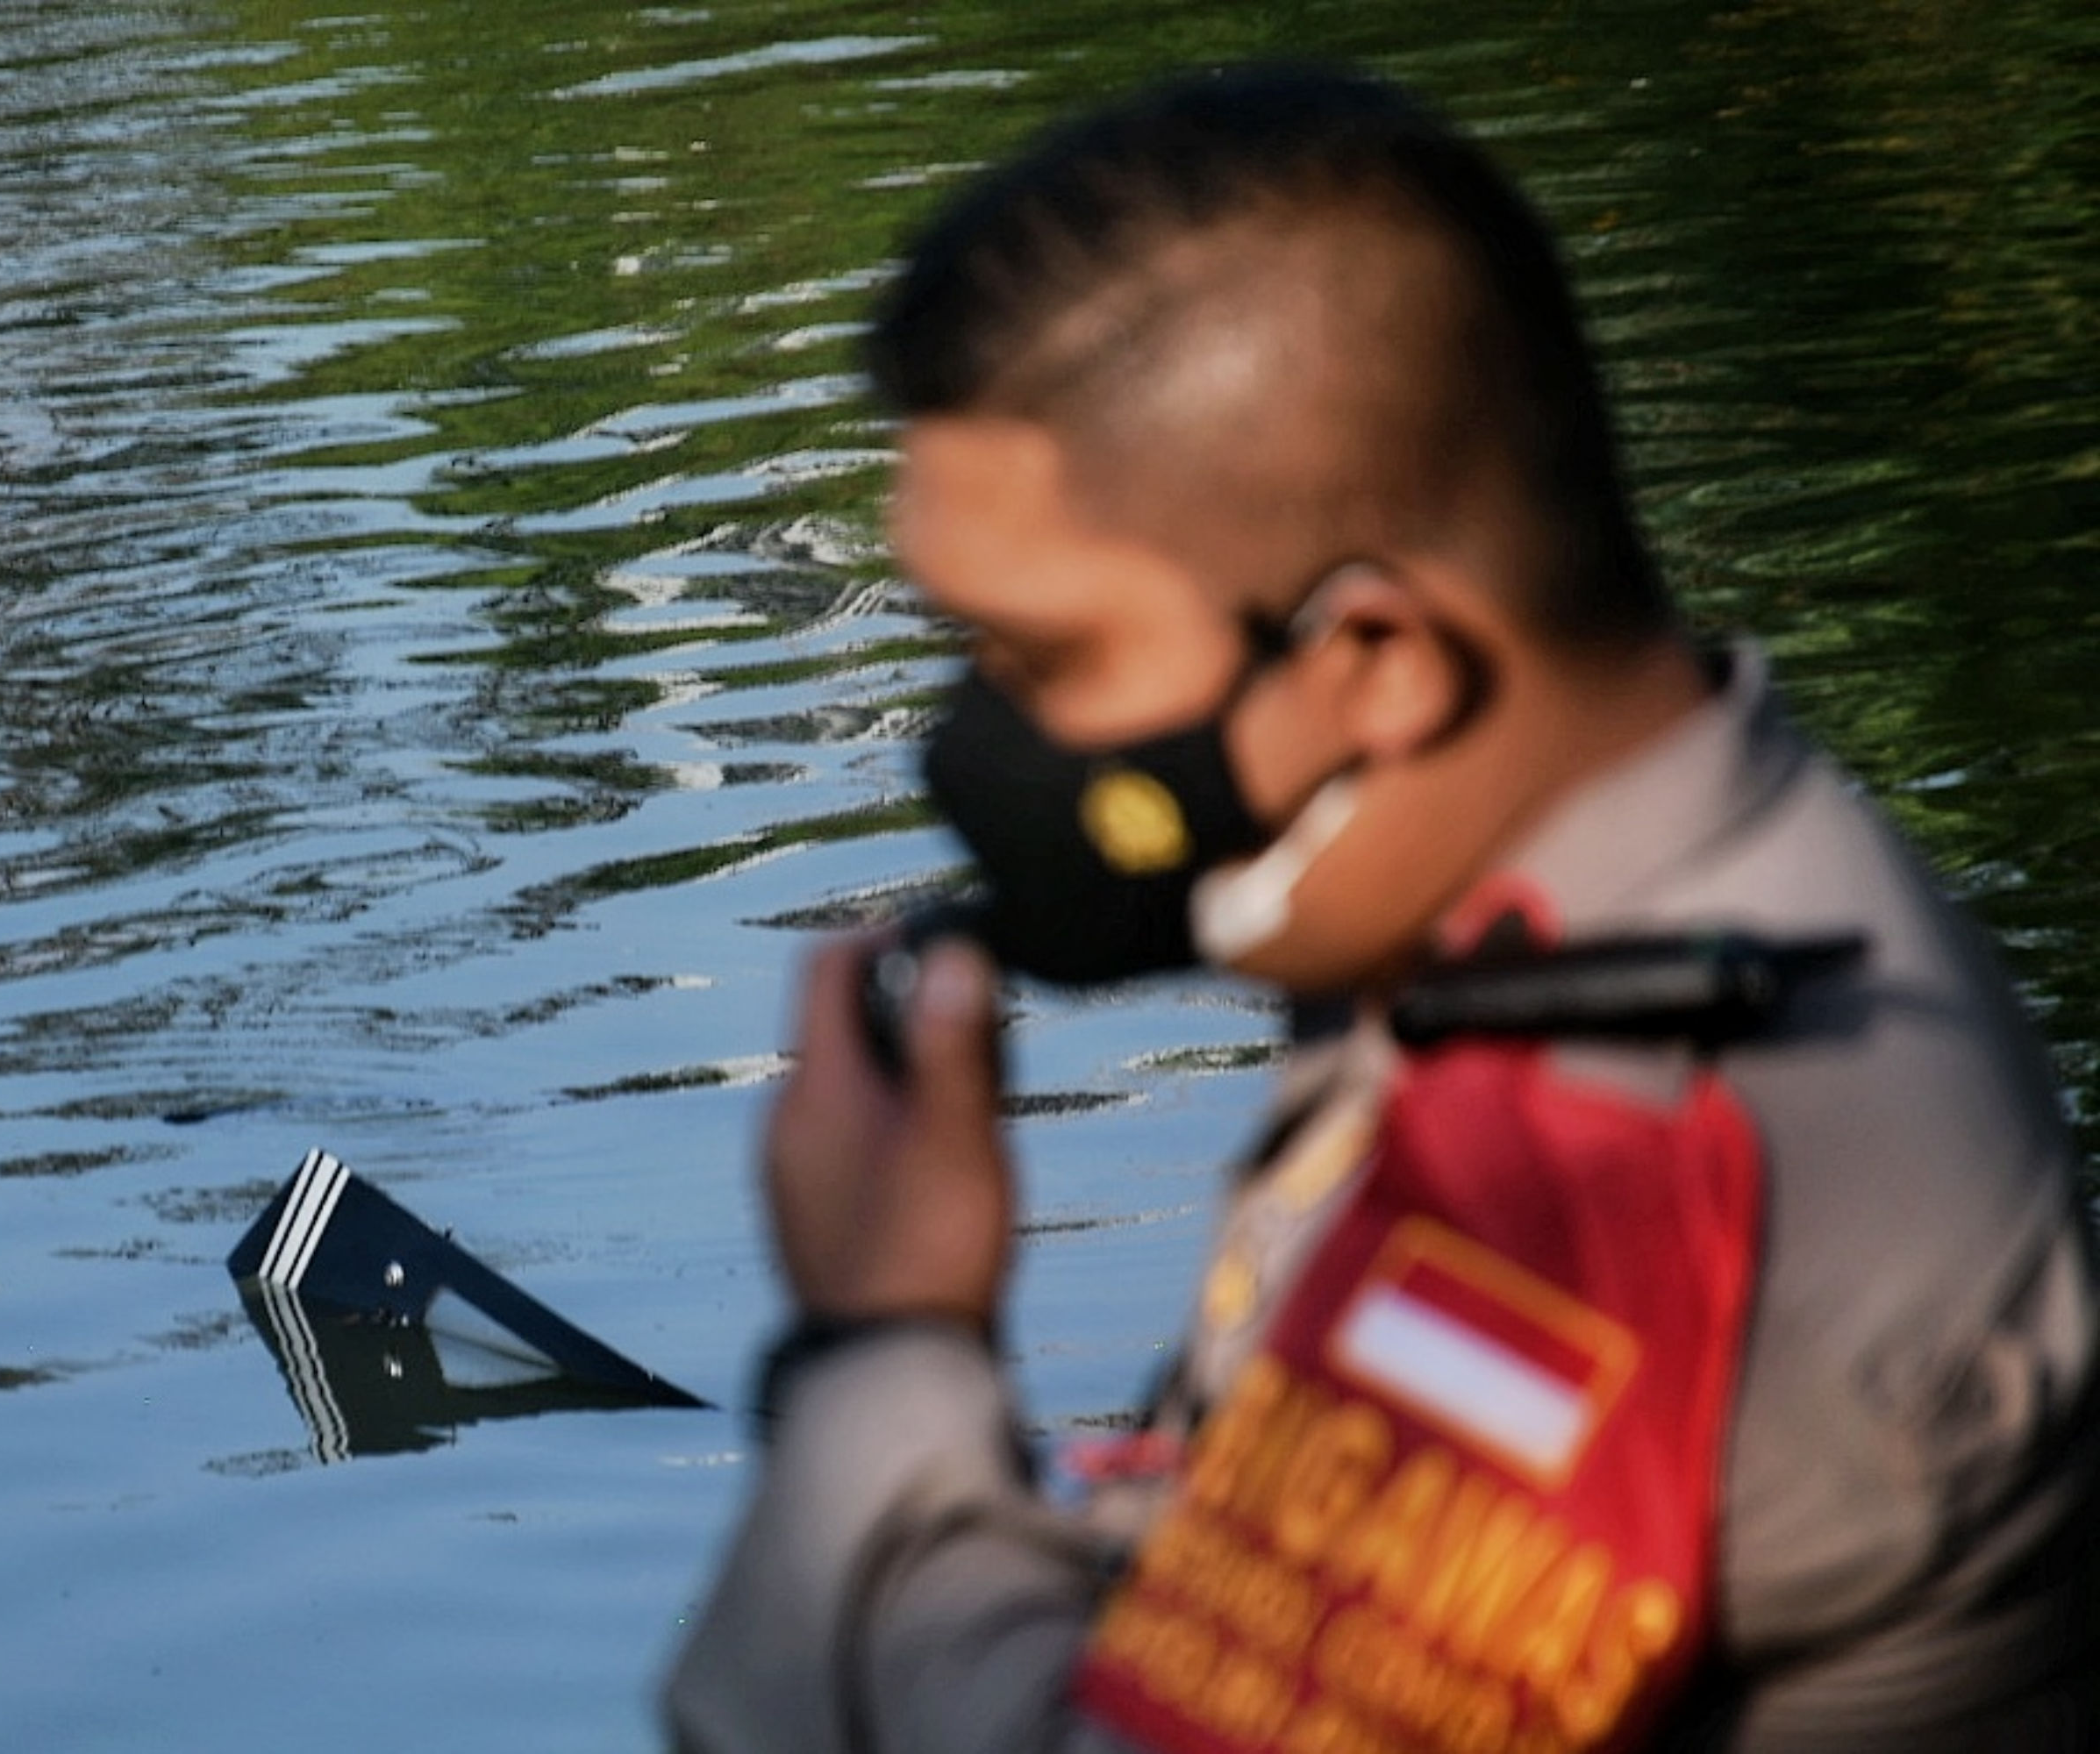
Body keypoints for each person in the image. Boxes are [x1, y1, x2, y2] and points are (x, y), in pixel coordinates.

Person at [661, 61, 2100, 1754]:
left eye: (1040, 659)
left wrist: (883, 1343)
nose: (975, 741)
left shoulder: (1608, 1190)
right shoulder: (1594, 894)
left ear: (1377, 661)